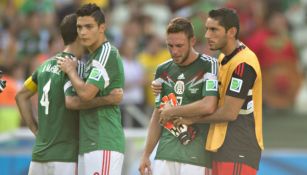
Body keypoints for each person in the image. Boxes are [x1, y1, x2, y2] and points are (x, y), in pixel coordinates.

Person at [156, 8, 264, 175]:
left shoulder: (244, 64)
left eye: (214, 29)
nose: (207, 35)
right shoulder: (223, 59)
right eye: (207, 28)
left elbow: (229, 113)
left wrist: (192, 118)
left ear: (231, 32)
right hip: (221, 146)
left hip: (239, 148)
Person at [15, 13, 122, 175]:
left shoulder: (44, 66)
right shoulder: (77, 67)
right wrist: (109, 99)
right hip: (64, 157)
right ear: (79, 35)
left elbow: (21, 96)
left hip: (39, 156)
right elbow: (73, 101)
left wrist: (36, 130)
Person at [138, 17, 218, 175]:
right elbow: (157, 114)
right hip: (165, 152)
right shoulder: (162, 69)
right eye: (170, 46)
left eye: (180, 46)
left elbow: (208, 105)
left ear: (192, 41)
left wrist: (173, 111)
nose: (174, 51)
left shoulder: (209, 65)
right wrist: (146, 154)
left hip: (196, 154)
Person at [57, 3, 125, 175]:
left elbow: (86, 94)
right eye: (79, 27)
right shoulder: (90, 58)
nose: (83, 32)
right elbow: (72, 103)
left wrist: (71, 71)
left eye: (89, 27)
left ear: (102, 28)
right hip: (89, 141)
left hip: (104, 140)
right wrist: (107, 99)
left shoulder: (106, 53)